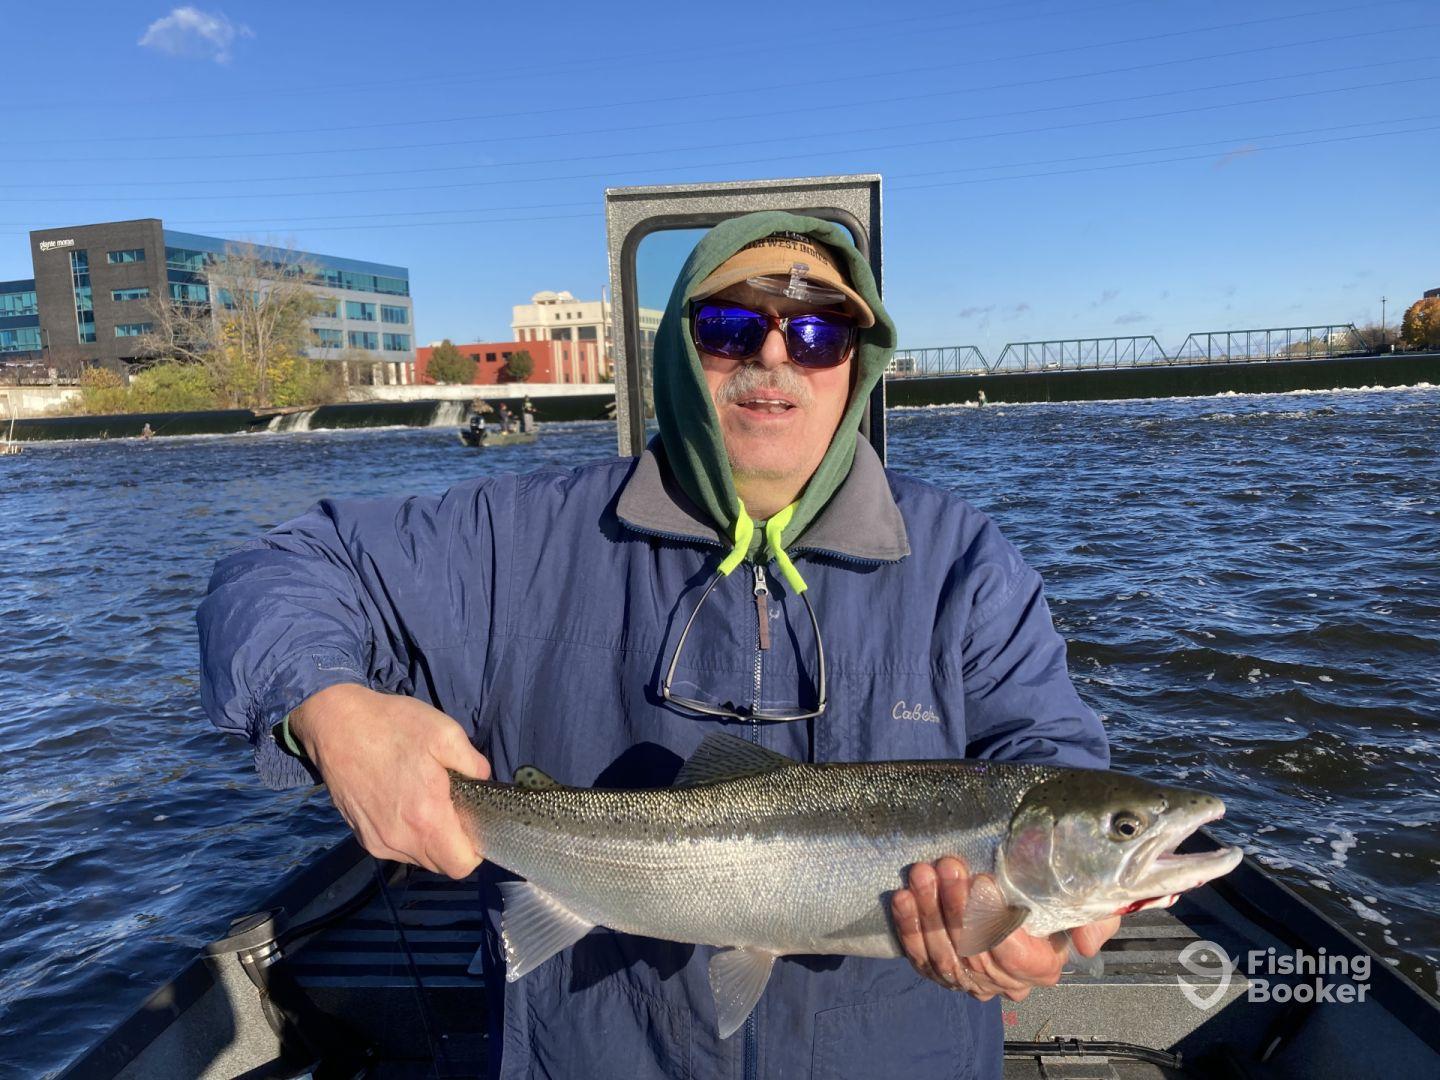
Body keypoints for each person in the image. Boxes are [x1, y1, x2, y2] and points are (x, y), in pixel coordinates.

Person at [198, 211, 1114, 1078]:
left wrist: (1045, 928)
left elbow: (1047, 755)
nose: (772, 356)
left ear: (856, 364)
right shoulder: (520, 537)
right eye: (729, 326)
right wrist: (329, 708)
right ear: (680, 350)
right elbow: (277, 570)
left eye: (818, 333)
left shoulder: (962, 559)